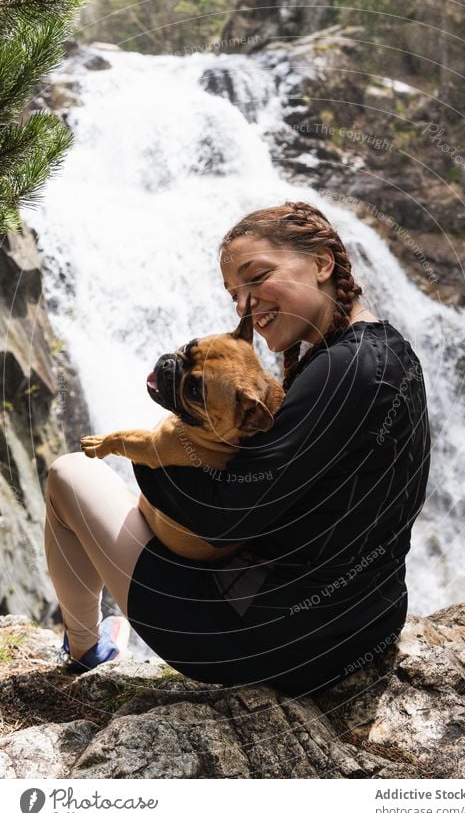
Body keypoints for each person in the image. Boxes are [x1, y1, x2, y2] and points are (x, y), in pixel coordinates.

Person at [45, 200, 431, 696]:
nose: (246, 305)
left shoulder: (340, 372)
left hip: (261, 644)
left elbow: (222, 515)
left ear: (321, 263)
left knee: (71, 472)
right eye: (234, 294)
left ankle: (84, 648)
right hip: (364, 626)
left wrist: (160, 448)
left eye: (257, 277)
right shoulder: (386, 350)